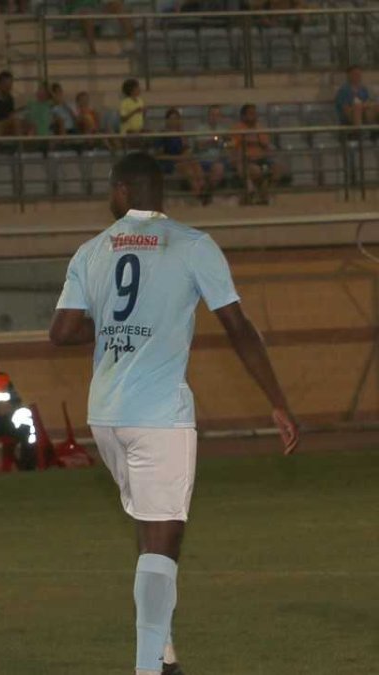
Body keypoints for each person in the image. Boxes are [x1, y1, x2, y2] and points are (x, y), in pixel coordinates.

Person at [49, 151, 298, 675]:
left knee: (148, 534)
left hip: (107, 415)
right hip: (160, 414)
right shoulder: (192, 244)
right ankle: (146, 668)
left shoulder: (91, 250)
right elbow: (237, 326)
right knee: (162, 546)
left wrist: (121, 325)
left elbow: (62, 333)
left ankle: (163, 656)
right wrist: (276, 399)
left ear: (123, 192)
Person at [231, 104, 287, 205]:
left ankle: (266, 194)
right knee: (256, 171)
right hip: (247, 160)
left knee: (278, 168)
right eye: (251, 113)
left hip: (262, 158)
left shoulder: (259, 127)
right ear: (243, 116)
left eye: (255, 113)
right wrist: (252, 141)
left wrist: (253, 141)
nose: (254, 115)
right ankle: (257, 194)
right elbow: (235, 146)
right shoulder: (237, 128)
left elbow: (265, 143)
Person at [156, 108, 215, 204]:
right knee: (187, 169)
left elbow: (186, 149)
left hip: (183, 160)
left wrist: (182, 136)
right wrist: (177, 158)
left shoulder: (181, 133)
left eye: (176, 119)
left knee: (195, 164)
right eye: (171, 119)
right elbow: (160, 155)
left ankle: (203, 188)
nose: (173, 121)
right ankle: (199, 194)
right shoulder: (162, 135)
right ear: (167, 120)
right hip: (170, 162)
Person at [64, 0, 135, 55]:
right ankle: (92, 50)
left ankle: (131, 42)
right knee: (87, 14)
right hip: (79, 9)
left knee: (116, 4)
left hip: (95, 8)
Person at [0, 71, 26, 136]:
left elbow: (11, 114)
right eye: (6, 85)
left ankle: (23, 144)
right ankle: (20, 144)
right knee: (15, 121)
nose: (9, 88)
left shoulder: (9, 98)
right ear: (0, 84)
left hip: (7, 123)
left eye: (10, 85)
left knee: (26, 124)